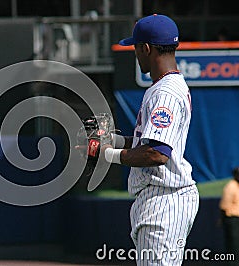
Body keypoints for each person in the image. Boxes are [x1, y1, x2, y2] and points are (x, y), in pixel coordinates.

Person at [101, 14, 199, 265]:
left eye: (135, 46)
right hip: (166, 198)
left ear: (146, 48)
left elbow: (156, 153)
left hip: (164, 198)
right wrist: (109, 142)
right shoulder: (170, 86)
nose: (135, 52)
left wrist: (107, 155)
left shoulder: (164, 92)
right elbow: (148, 143)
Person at [220, 167, 239, 265]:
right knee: (234, 245)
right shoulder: (231, 186)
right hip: (233, 219)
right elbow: (224, 205)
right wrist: (222, 220)